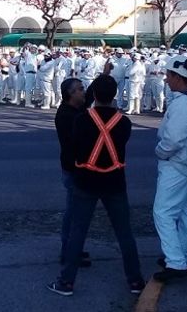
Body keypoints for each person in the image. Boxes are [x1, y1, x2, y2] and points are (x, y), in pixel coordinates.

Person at [48, 75, 144, 296]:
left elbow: (73, 147)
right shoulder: (124, 122)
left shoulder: (81, 120)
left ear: (94, 95)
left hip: (86, 180)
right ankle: (135, 281)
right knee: (124, 233)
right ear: (114, 95)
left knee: (78, 232)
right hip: (114, 181)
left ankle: (67, 282)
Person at [152, 55, 187, 282]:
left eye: (169, 75)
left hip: (178, 164)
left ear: (178, 77)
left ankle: (175, 261)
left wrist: (160, 152)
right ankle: (183, 254)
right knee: (186, 214)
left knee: (163, 212)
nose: (166, 79)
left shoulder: (183, 103)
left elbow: (173, 140)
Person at [54, 78, 92, 271]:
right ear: (70, 94)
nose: (83, 92)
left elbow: (91, 96)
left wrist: (104, 74)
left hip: (77, 167)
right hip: (73, 168)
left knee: (77, 211)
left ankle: (73, 247)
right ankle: (69, 251)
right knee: (74, 212)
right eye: (79, 90)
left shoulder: (76, 110)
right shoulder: (67, 115)